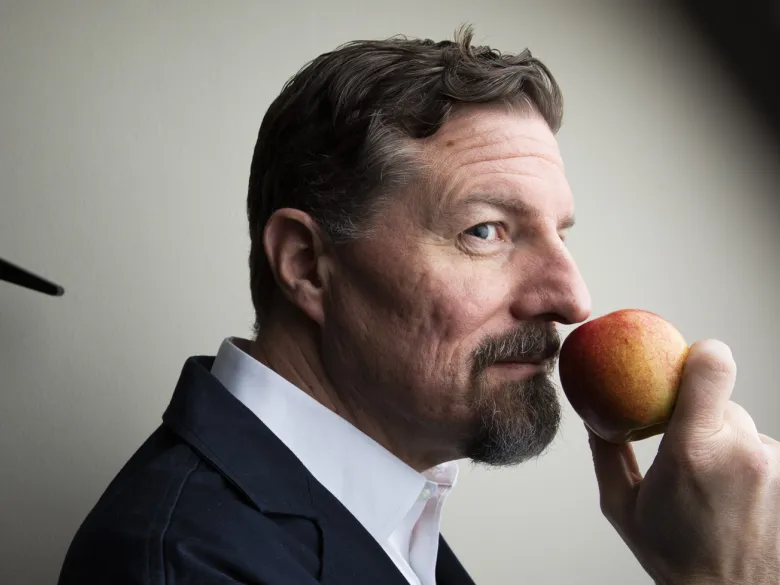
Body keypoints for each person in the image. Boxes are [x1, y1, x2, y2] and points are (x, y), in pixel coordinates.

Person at [57, 27, 779, 585]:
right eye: (486, 230)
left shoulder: (388, 507)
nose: (570, 297)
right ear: (307, 265)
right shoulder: (185, 565)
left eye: (557, 234)